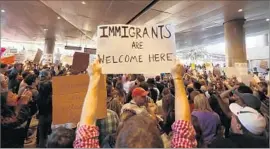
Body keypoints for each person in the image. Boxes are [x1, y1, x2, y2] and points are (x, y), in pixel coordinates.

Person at [36, 80, 53, 147]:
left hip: (41, 117)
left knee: (42, 136)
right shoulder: (51, 98)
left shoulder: (38, 97)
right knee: (50, 134)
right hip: (50, 117)